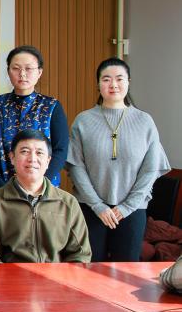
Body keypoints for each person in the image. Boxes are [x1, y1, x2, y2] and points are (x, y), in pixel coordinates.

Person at [67, 58, 170, 262]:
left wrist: (127, 207)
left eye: (119, 79)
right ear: (98, 84)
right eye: (106, 79)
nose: (113, 84)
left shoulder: (145, 121)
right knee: (89, 268)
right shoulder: (83, 120)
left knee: (127, 270)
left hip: (133, 210)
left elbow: (150, 170)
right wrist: (98, 205)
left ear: (128, 82)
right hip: (90, 208)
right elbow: (76, 166)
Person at [0, 130, 91, 264]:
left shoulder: (68, 203)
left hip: (57, 275)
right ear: (12, 158)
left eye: (39, 153)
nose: (32, 159)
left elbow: (80, 255)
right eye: (25, 151)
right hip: (12, 276)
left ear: (48, 161)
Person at [0, 46, 68, 190]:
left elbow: (61, 150)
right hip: (2, 189)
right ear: (8, 71)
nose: (22, 74)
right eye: (16, 68)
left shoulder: (51, 106)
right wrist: (1, 185)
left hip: (43, 188)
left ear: (39, 72)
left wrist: (41, 183)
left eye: (28, 69)